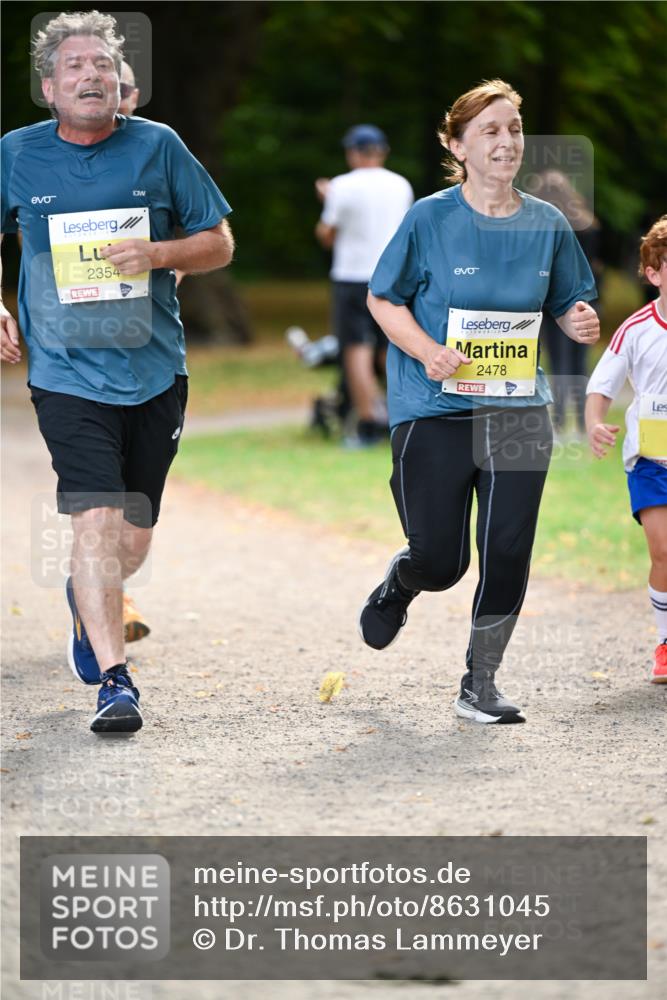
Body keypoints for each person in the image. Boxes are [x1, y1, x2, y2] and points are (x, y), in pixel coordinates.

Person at [0, 10, 234, 733]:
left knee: (129, 540)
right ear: (49, 86)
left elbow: (218, 242)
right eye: (74, 65)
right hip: (66, 374)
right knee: (95, 519)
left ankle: (86, 599)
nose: (90, 74)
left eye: (101, 64)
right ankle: (114, 680)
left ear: (119, 83)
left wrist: (158, 256)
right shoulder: (16, 152)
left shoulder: (159, 146)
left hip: (155, 371)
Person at [357, 79, 599, 724]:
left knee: (508, 547)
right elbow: (383, 298)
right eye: (489, 130)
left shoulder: (548, 223)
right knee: (442, 561)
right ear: (456, 144)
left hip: (518, 406)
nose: (505, 141)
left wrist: (577, 321)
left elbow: (570, 301)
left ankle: (480, 681)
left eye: (514, 128)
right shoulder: (429, 219)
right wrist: (428, 350)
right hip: (432, 405)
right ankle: (403, 580)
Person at [585, 216, 667, 684]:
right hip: (652, 460)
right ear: (654, 272)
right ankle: (665, 642)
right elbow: (602, 385)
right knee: (663, 552)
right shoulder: (636, 328)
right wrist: (596, 423)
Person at [315, 125, 413, 447]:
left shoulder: (342, 186)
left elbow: (326, 235)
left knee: (356, 350)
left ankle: (369, 421)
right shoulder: (401, 184)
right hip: (392, 276)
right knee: (392, 347)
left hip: (352, 275)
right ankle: (402, 415)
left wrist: (327, 200)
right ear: (382, 151)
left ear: (354, 153)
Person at [527, 170, 603, 436]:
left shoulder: (545, 225)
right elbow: (594, 267)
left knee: (558, 362)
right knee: (580, 363)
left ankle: (559, 421)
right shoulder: (588, 224)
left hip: (555, 304)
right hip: (586, 300)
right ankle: (583, 422)